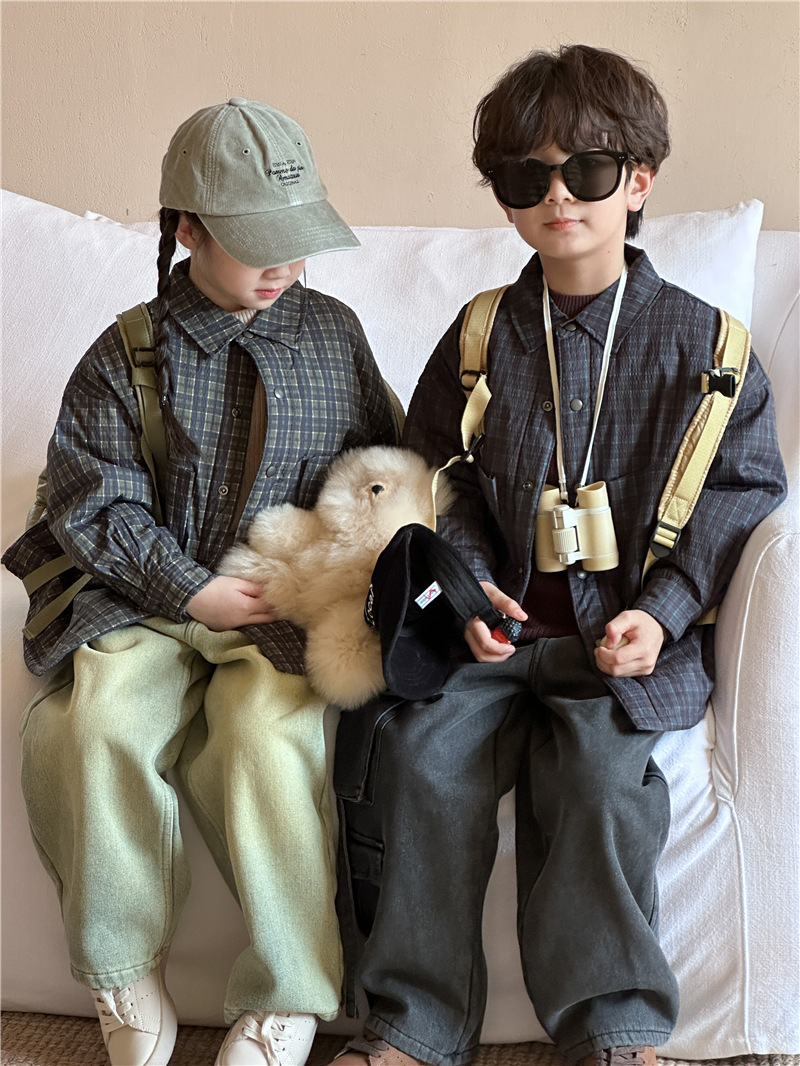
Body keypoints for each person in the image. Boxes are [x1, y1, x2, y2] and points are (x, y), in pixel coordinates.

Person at [328, 45, 786, 1066]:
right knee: (419, 759)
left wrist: (663, 613)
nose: (557, 197)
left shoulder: (707, 350)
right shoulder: (480, 335)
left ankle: (613, 1031)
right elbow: (434, 476)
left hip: (622, 645)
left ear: (639, 181)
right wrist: (467, 589)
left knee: (597, 782)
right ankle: (410, 1027)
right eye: (524, 177)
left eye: (586, 170)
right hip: (490, 639)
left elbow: (742, 490)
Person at [2, 98, 397, 1066]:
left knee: (266, 742)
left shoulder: (332, 334)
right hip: (140, 598)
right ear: (186, 229)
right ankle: (121, 968)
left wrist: (350, 560)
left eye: (297, 239)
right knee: (93, 724)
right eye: (257, 242)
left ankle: (287, 993)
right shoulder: (128, 348)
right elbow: (93, 495)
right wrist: (187, 587)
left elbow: (382, 468)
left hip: (278, 607)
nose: (282, 264)